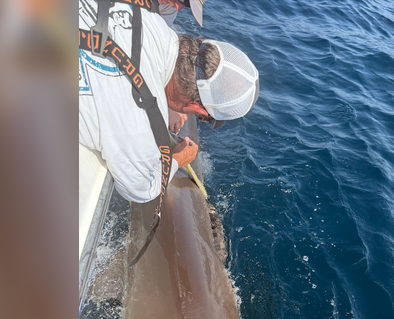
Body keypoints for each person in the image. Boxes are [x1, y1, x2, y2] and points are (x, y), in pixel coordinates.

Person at [78, 0, 259, 204]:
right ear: (196, 107)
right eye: (204, 118)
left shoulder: (149, 18)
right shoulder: (140, 123)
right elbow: (140, 189)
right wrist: (179, 158)